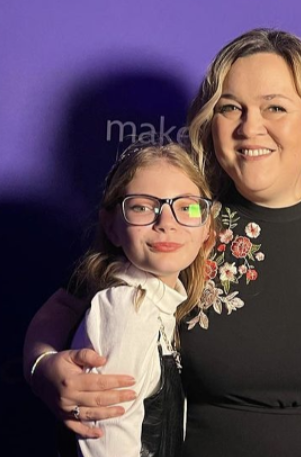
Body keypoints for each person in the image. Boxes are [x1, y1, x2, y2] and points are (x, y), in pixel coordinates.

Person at [23, 29, 301, 456]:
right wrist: (42, 368)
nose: (251, 127)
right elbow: (65, 306)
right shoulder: (184, 219)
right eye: (232, 108)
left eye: (275, 107)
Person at [56, 142, 216, 457]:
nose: (166, 223)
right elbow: (108, 446)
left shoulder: (160, 305)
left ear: (207, 230)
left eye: (186, 207)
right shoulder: (127, 309)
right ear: (112, 227)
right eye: (143, 207)